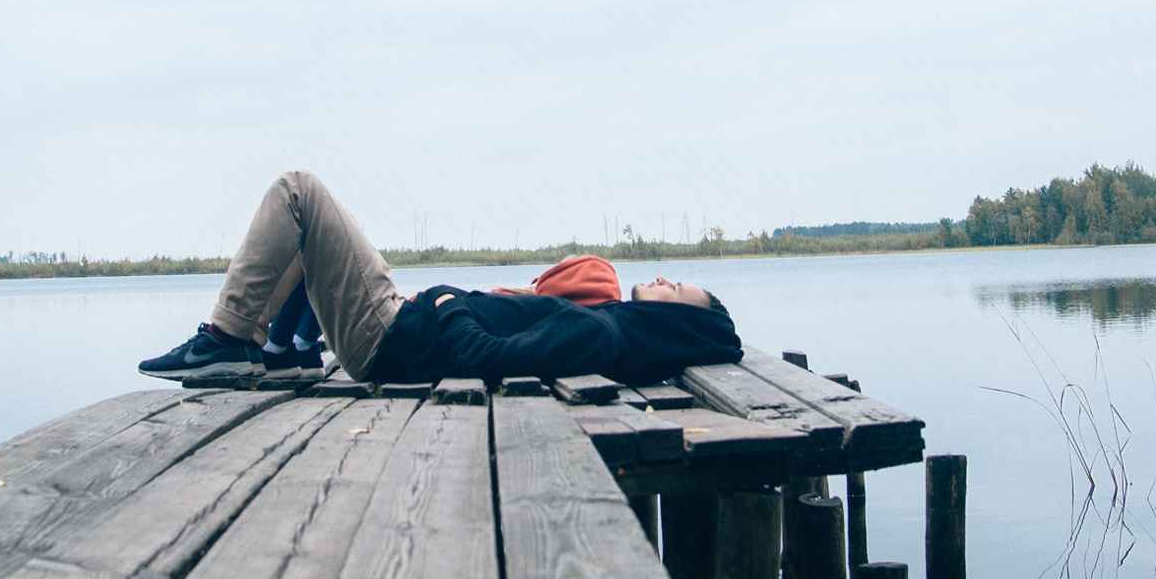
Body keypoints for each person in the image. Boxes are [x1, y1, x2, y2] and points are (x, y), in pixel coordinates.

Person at [139, 170, 740, 385]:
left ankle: (225, 340)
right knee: (313, 219)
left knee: (298, 191)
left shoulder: (605, 337)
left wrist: (449, 299)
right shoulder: (613, 328)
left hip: (392, 338)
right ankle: (268, 350)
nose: (663, 279)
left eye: (677, 288)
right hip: (400, 328)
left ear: (681, 316)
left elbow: (487, 357)